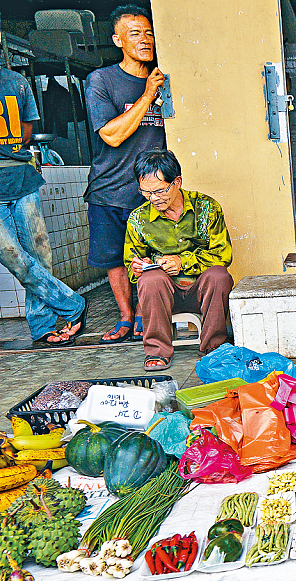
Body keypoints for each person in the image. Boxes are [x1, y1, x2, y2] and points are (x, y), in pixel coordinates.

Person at [84, 4, 166, 344]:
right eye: (135, 33)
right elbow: (112, 135)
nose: (144, 39)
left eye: (149, 33)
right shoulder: (101, 80)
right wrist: (148, 95)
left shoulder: (166, 77)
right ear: (118, 40)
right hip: (109, 188)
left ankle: (149, 317)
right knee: (114, 259)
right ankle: (125, 317)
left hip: (152, 190)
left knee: (149, 258)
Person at [0, 65, 87, 346]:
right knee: (15, 258)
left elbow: (26, 134)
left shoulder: (17, 82)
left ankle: (42, 326)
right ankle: (72, 304)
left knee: (40, 257)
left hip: (22, 177)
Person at [125, 150, 233, 371]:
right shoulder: (138, 219)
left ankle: (214, 347)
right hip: (163, 295)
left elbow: (223, 254)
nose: (153, 198)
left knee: (219, 275)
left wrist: (182, 262)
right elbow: (130, 263)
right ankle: (157, 352)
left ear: (177, 182)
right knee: (149, 279)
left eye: (159, 191)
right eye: (146, 193)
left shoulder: (206, 208)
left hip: (201, 291)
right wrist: (137, 267)